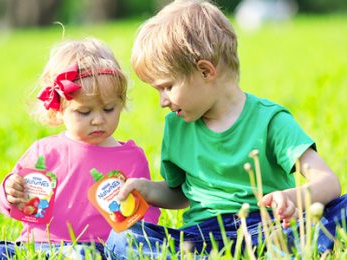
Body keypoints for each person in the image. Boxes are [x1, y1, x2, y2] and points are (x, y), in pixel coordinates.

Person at [105, 0, 346, 258]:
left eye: (167, 87)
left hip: (270, 228)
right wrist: (148, 190)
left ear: (205, 71)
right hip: (201, 238)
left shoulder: (270, 121)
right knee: (121, 239)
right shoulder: (176, 127)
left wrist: (292, 198)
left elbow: (328, 182)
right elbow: (180, 194)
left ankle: (279, 248)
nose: (163, 101)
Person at [0, 37, 160, 259]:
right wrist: (10, 192)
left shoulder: (131, 158)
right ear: (59, 109)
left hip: (94, 249)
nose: (98, 120)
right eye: (84, 112)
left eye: (109, 109)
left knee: (80, 254)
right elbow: (10, 204)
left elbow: (147, 218)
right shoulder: (44, 152)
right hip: (36, 247)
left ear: (121, 102)